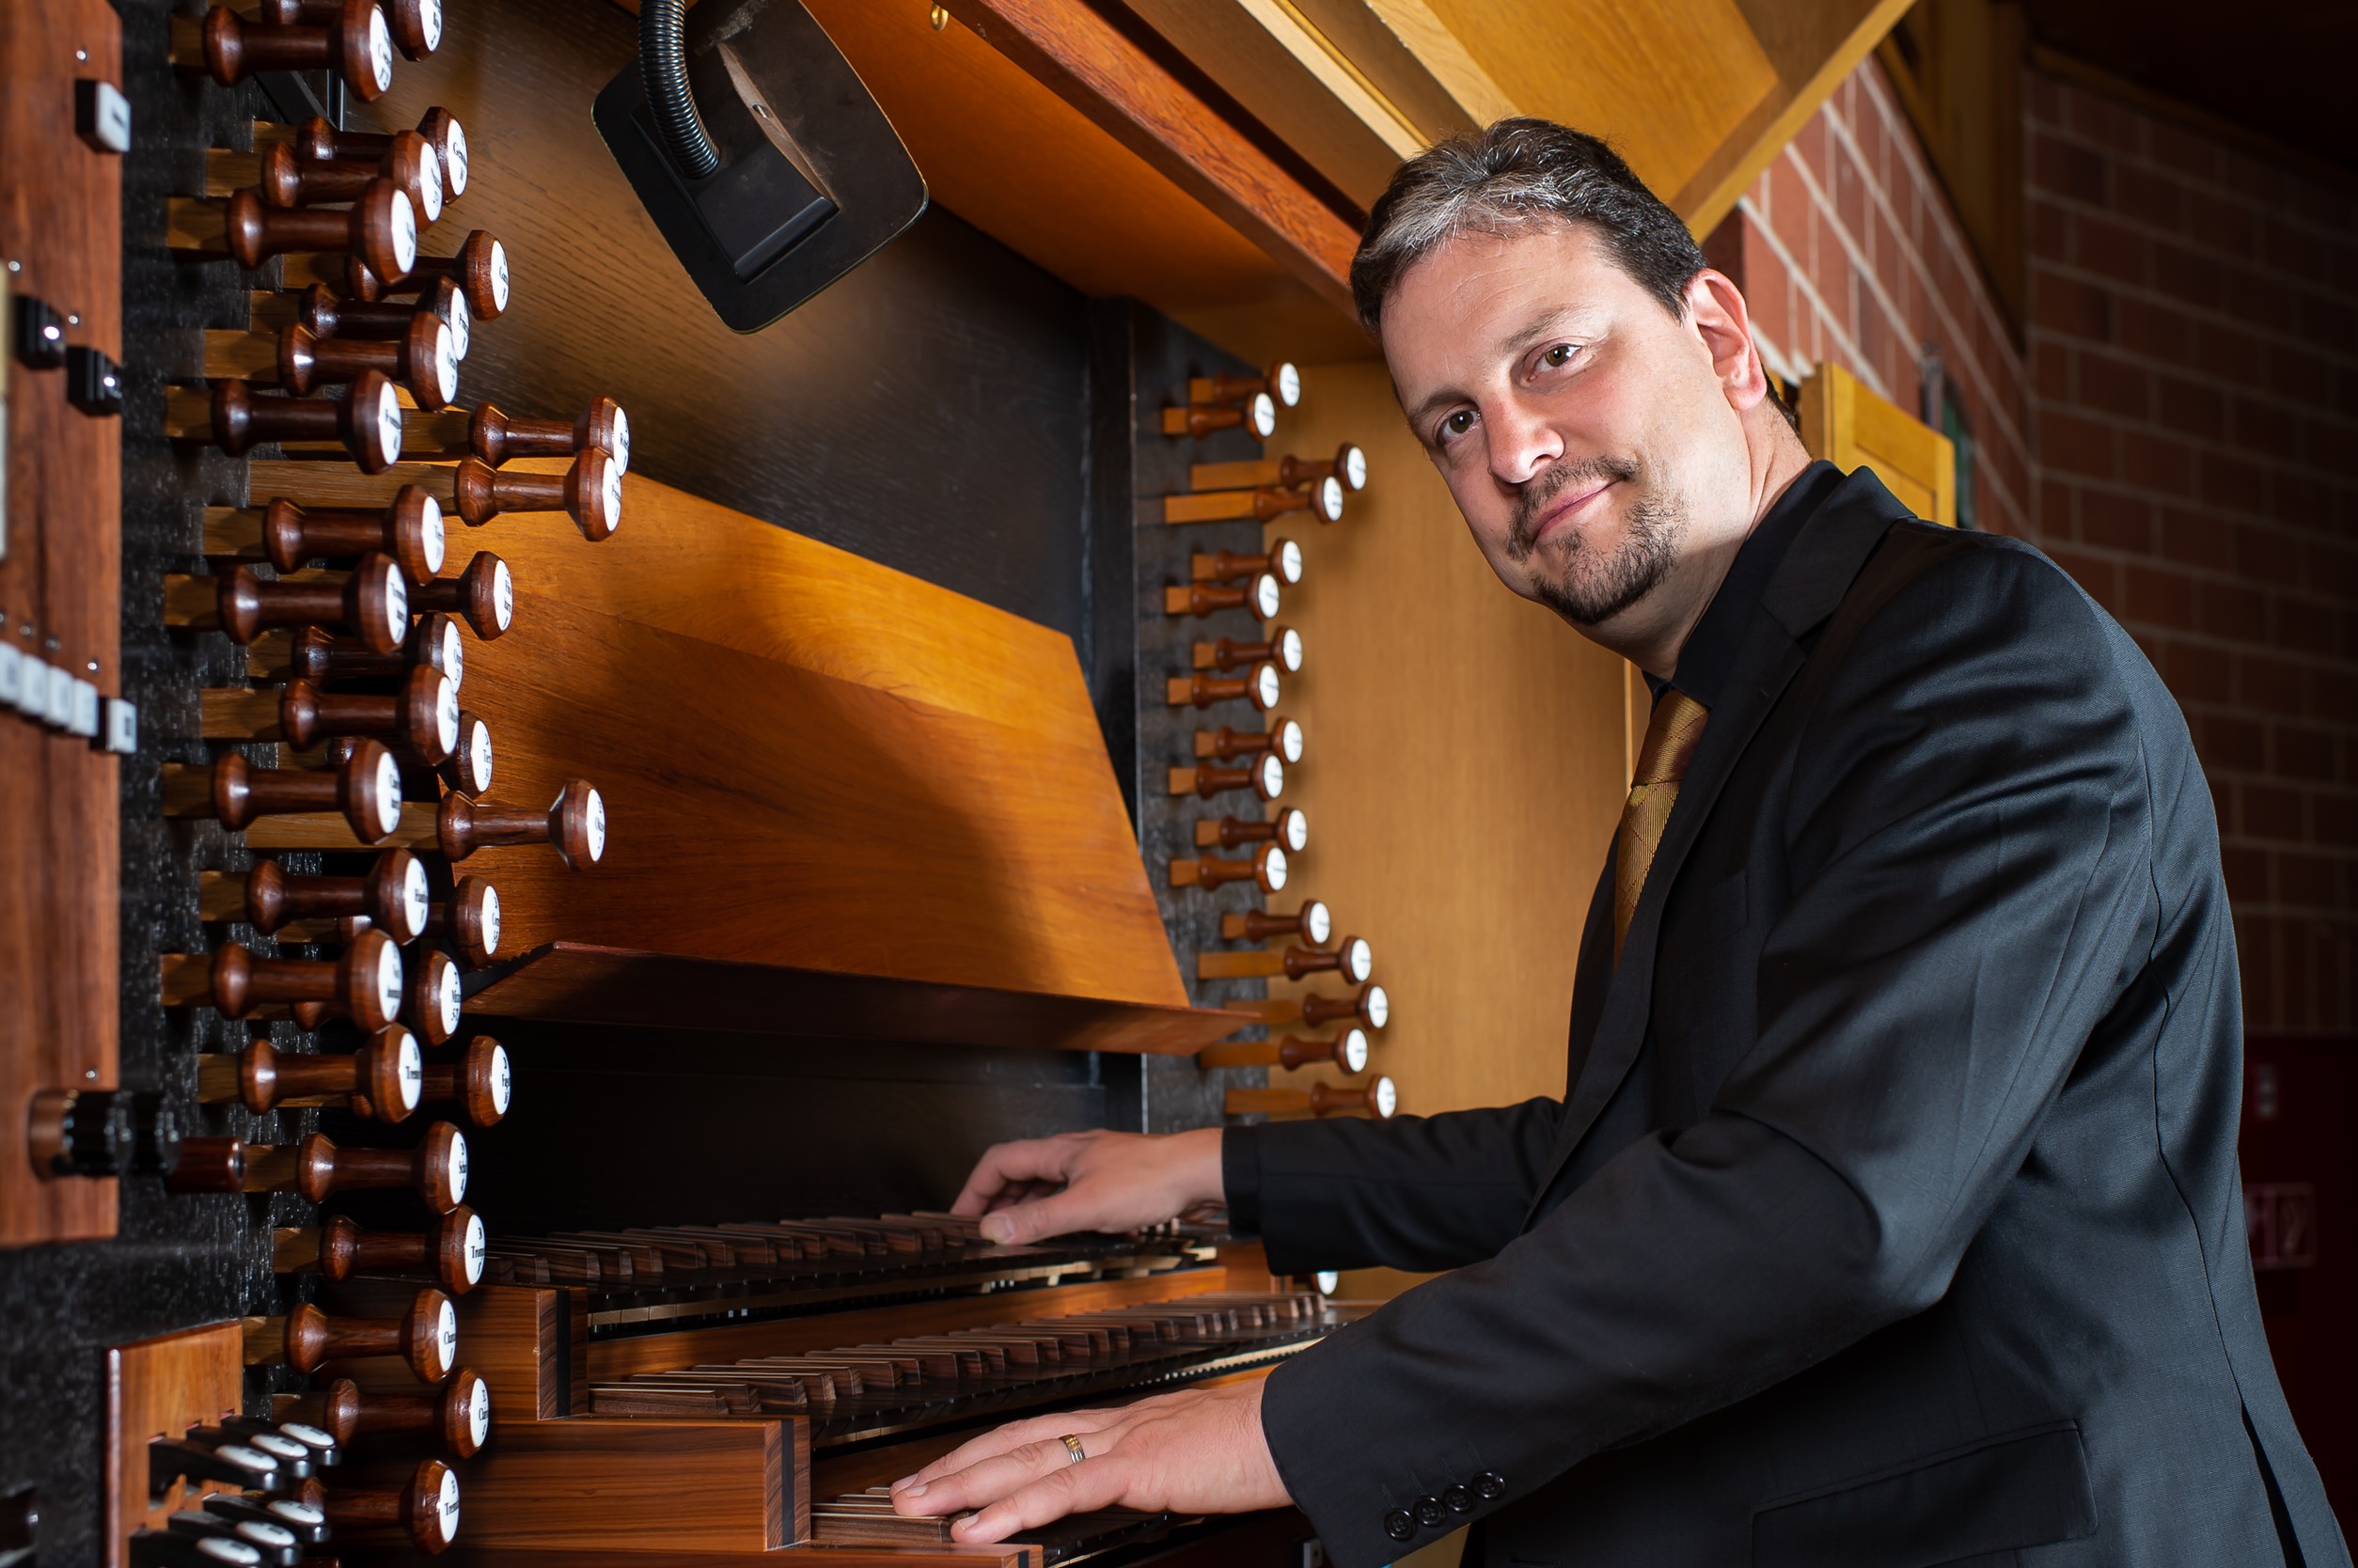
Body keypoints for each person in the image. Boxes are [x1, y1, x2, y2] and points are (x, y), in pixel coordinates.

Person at [888, 118, 2350, 1568]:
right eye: (1452, 423)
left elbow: (1831, 1202)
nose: (1514, 450)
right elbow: (1634, 1154)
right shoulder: (1724, 715)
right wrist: (1212, 1170)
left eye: (1552, 356)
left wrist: (1281, 1432)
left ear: (1719, 335)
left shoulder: (1980, 653)